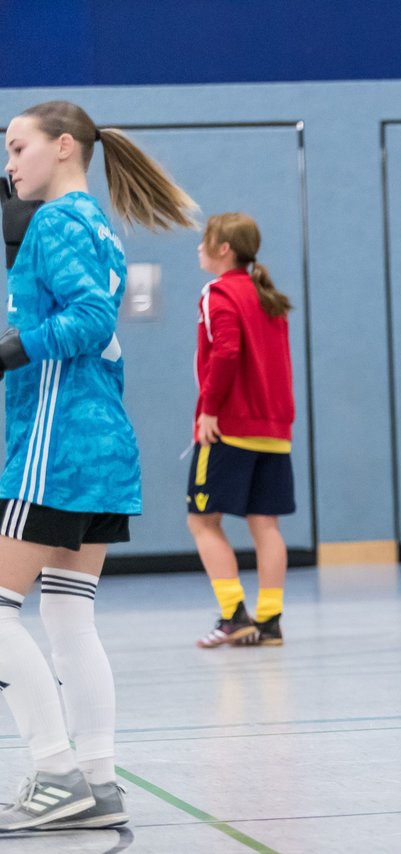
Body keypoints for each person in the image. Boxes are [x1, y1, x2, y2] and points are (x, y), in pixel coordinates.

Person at [0, 99, 196, 830]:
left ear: (63, 147)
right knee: (67, 616)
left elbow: (87, 320)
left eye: (18, 148)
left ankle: (55, 775)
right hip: (98, 444)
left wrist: (7, 351)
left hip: (56, 443)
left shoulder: (58, 223)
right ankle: (97, 780)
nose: (9, 161)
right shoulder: (91, 226)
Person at [188, 213, 297, 648]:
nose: (198, 247)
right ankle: (269, 621)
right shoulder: (268, 297)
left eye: (204, 240)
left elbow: (227, 353)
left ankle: (234, 616)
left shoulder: (217, 293)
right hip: (274, 431)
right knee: (265, 525)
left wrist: (209, 411)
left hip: (229, 429)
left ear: (223, 250)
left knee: (202, 521)